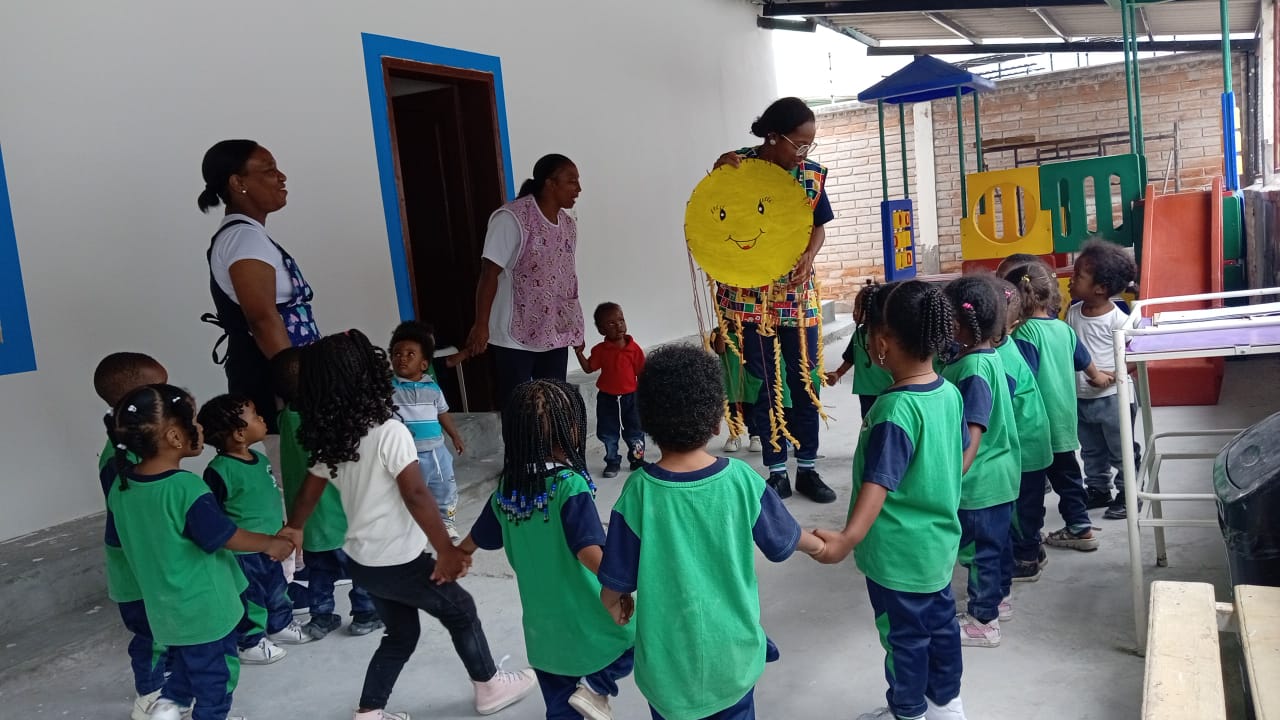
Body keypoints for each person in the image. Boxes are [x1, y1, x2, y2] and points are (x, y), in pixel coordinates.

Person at [282, 330, 536, 720]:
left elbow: (308, 491)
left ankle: (369, 712)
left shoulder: (334, 439)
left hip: (364, 563)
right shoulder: (390, 432)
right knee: (462, 611)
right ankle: (490, 686)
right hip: (399, 561)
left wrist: (295, 527)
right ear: (372, 375)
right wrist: (446, 550)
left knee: (401, 635)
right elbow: (417, 494)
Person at [599, 344, 823, 720]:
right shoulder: (742, 481)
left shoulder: (638, 492)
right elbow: (786, 540)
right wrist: (821, 545)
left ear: (648, 422)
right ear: (717, 421)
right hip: (732, 661)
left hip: (668, 672)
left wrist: (612, 602)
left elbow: (616, 579)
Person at [809, 281, 969, 720]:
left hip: (898, 555)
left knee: (904, 638)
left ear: (881, 343)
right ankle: (947, 705)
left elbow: (877, 483)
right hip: (938, 546)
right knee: (941, 627)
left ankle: (909, 710)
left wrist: (847, 539)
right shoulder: (949, 393)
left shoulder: (893, 410)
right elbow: (957, 458)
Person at [105, 384, 295, 720]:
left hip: (165, 606)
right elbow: (225, 536)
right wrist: (270, 543)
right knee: (217, 675)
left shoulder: (123, 487)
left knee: (189, 659)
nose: (201, 428)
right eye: (194, 421)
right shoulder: (186, 487)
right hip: (206, 605)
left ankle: (170, 704)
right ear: (175, 437)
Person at [460, 379, 636, 720]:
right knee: (638, 635)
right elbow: (588, 550)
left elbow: (478, 538)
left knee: (560, 704)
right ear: (571, 430)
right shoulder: (569, 487)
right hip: (589, 620)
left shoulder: (508, 490)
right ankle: (596, 686)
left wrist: (456, 554)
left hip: (543, 632)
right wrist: (621, 583)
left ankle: (578, 702)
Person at [712, 97, 836, 504]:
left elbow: (818, 227)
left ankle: (808, 469)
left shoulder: (810, 176)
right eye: (798, 144)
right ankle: (777, 470)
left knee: (805, 381)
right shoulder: (737, 167)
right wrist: (717, 177)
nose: (804, 153)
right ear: (772, 137)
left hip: (797, 296)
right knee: (766, 384)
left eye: (809, 145)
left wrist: (810, 255)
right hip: (749, 298)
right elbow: (713, 217)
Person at [199, 139, 320, 449]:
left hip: (282, 378)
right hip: (274, 384)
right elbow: (263, 319)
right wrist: (298, 390)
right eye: (269, 170)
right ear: (238, 183)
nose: (282, 177)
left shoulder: (250, 235)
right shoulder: (243, 239)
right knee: (289, 466)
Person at [271, 348, 381, 640]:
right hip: (342, 519)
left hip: (309, 524)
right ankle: (366, 615)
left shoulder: (285, 419)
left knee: (320, 572)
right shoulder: (326, 421)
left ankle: (320, 618)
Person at [1004, 261, 1112, 552]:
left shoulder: (1024, 335)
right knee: (1069, 479)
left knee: (1030, 488)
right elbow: (1086, 362)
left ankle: (1028, 543)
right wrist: (1100, 377)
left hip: (1035, 426)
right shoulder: (1063, 329)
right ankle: (1080, 527)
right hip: (1064, 421)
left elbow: (1022, 378)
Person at [197, 394, 311, 666]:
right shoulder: (219, 470)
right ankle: (249, 642)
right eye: (255, 416)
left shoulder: (260, 459)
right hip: (245, 551)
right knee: (252, 597)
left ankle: (280, 625)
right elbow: (216, 515)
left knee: (277, 587)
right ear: (239, 434)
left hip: (272, 541)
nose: (261, 419)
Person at [465, 154, 584, 409]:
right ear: (550, 183)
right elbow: (489, 273)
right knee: (518, 407)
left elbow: (566, 279)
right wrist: (481, 324)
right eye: (571, 181)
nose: (578, 189)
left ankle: (551, 440)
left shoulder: (567, 225)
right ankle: (520, 439)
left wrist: (573, 326)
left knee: (554, 405)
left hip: (553, 333)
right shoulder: (512, 218)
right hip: (514, 335)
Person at [940, 277, 1020, 649]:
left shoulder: (972, 369)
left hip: (979, 481)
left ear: (957, 324)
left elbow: (973, 432)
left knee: (979, 554)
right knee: (996, 545)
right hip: (1000, 474)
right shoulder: (988, 356)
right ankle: (998, 600)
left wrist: (953, 475)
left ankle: (983, 621)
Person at [93, 352, 172, 720]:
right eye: (160, 390)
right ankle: (150, 697)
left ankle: (174, 689)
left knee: (167, 627)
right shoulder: (118, 459)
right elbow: (129, 521)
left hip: (154, 561)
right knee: (151, 633)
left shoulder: (138, 447)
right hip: (138, 564)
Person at [1066, 240, 1141, 520]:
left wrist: (1113, 376)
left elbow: (1137, 356)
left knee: (1120, 449)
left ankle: (1129, 493)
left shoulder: (1118, 320)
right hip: (1082, 397)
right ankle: (1098, 489)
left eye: (1078, 277)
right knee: (1091, 449)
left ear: (1100, 288)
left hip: (1113, 398)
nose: (1071, 281)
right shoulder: (1073, 313)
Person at [991, 278, 1054, 583]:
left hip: (1024, 449)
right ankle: (1033, 549)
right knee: (1028, 505)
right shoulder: (1004, 347)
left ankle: (1026, 559)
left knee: (1021, 510)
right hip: (1029, 443)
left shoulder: (999, 362)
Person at [390, 321, 466, 539]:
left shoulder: (433, 389)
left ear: (423, 364)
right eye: (397, 354)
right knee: (409, 491)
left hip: (436, 452)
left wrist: (455, 436)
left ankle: (446, 522)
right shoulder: (389, 389)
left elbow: (442, 413)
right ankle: (410, 526)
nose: (402, 358)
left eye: (410, 354)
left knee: (444, 488)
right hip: (407, 454)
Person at [574, 302, 646, 478]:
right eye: (611, 323)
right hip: (607, 399)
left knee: (635, 431)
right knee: (608, 433)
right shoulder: (600, 350)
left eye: (621, 320)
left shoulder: (634, 349)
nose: (619, 325)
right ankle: (612, 462)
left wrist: (646, 396)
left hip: (631, 398)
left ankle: (637, 460)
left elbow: (642, 374)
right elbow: (589, 368)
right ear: (602, 330)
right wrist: (579, 353)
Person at [825, 281, 894, 419]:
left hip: (888, 390)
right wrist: (838, 374)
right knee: (868, 422)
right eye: (855, 307)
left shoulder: (889, 336)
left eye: (859, 307)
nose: (854, 313)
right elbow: (850, 357)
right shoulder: (858, 334)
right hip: (865, 391)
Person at [710, 328, 762, 454]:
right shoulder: (719, 331)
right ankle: (734, 436)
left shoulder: (755, 329)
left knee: (753, 405)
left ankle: (756, 436)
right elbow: (720, 350)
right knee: (732, 407)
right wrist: (722, 332)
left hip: (752, 376)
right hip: (731, 377)